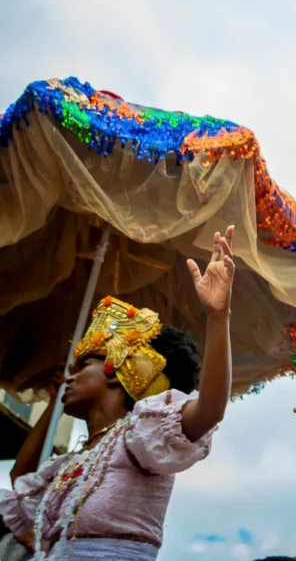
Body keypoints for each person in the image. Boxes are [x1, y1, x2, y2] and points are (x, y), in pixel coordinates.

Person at [0, 228, 237, 560]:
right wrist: (55, 401)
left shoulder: (143, 435)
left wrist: (218, 316)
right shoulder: (76, 459)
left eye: (83, 366)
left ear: (115, 368)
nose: (70, 376)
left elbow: (210, 410)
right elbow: (23, 481)